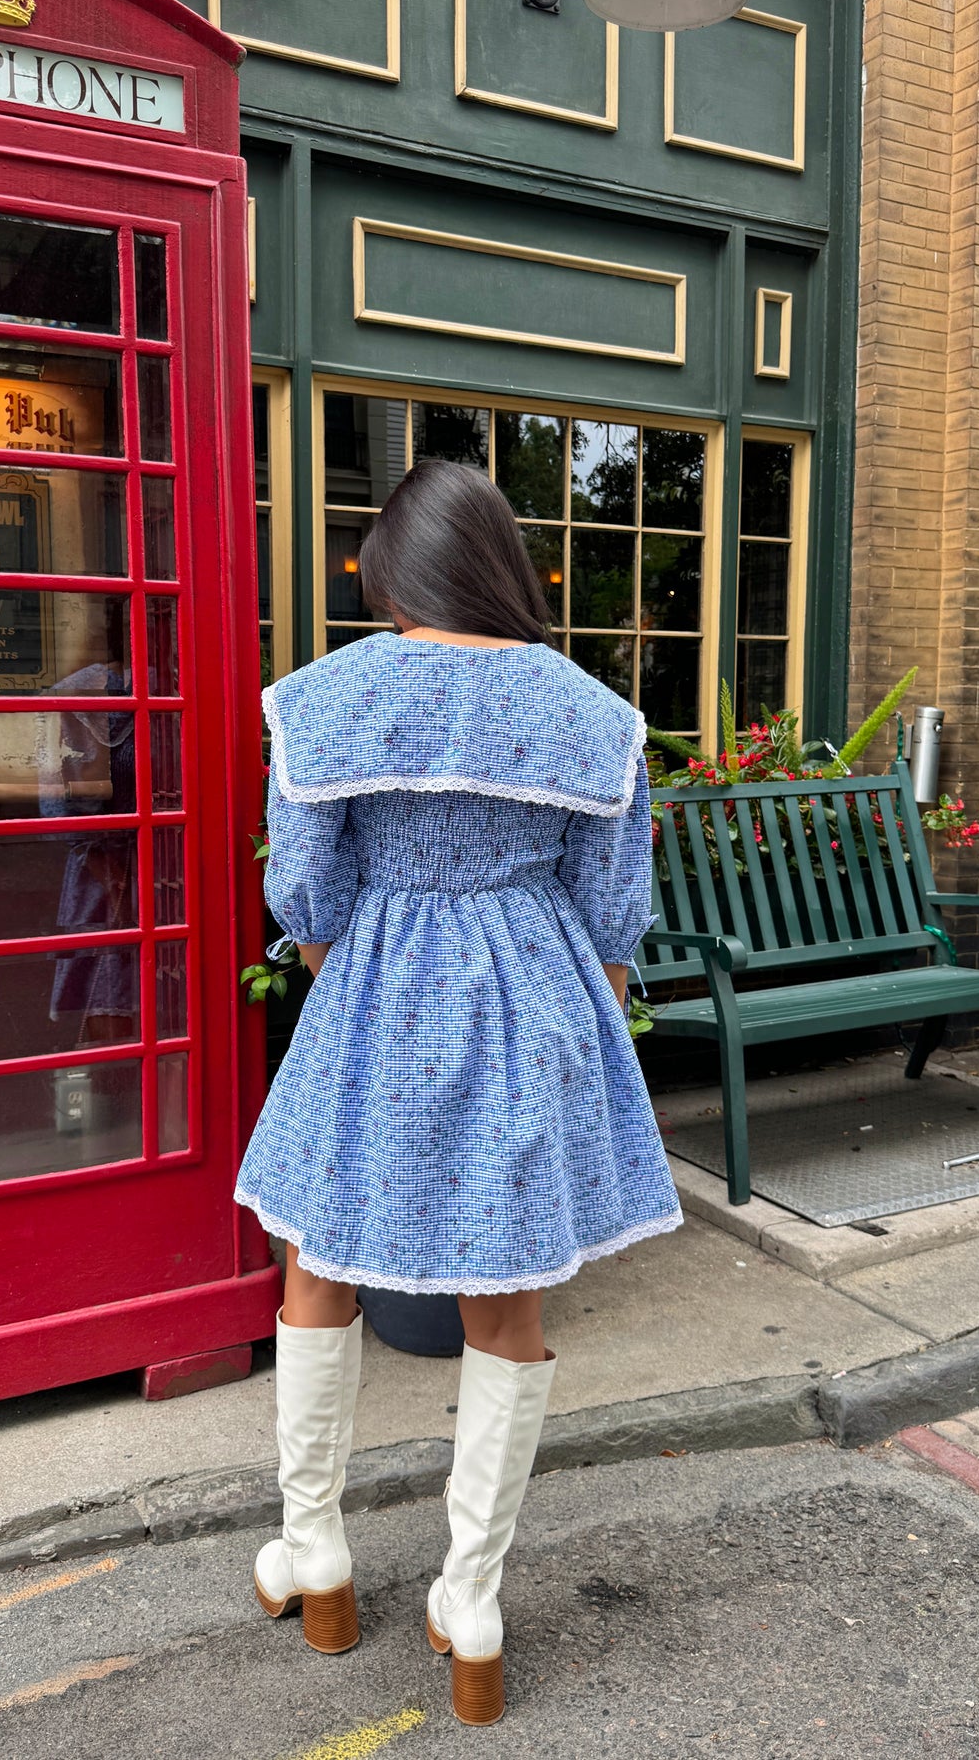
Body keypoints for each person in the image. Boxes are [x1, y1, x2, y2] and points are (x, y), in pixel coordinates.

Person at [235, 459, 682, 1727]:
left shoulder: (327, 700)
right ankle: (470, 1602)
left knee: (316, 1260)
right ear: (501, 566)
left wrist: (361, 957)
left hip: (376, 988)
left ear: (393, 570)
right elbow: (610, 918)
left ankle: (312, 1552)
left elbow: (307, 902)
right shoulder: (590, 714)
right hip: (534, 1000)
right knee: (507, 1290)